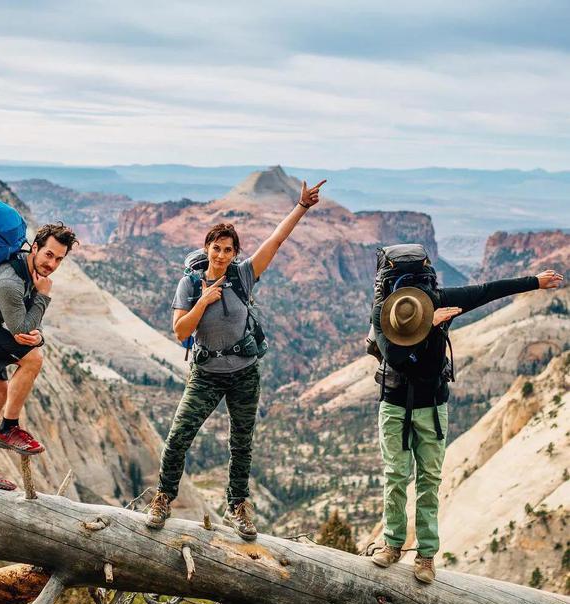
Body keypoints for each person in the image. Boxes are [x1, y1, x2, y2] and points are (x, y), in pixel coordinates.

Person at [146, 179, 327, 539]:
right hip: (207, 373)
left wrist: (302, 206)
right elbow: (180, 331)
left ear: (234, 252)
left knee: (242, 441)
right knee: (179, 436)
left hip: (245, 372)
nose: (222, 255)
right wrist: (203, 302)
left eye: (228, 249)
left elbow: (275, 241)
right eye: (217, 248)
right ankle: (163, 498)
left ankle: (237, 507)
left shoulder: (243, 275)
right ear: (207, 248)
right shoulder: (191, 284)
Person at [371, 266, 564, 583]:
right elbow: (396, 357)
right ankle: (392, 545)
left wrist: (535, 282)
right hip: (395, 405)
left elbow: (488, 289)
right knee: (396, 474)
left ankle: (426, 556)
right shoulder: (384, 310)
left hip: (431, 405)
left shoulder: (439, 298)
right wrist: (431, 323)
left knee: (429, 480)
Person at [0, 223, 79, 490]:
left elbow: (29, 325)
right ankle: (8, 428)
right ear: (35, 248)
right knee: (33, 360)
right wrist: (44, 297)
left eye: (59, 259)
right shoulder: (10, 280)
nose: (52, 264)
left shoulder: (29, 272)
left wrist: (39, 335)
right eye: (48, 255)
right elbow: (21, 328)